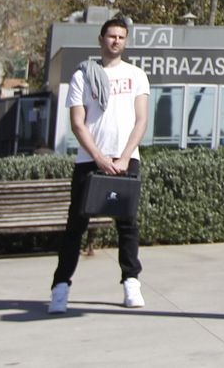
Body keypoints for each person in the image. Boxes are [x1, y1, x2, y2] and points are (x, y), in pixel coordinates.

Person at [48, 16, 150, 314]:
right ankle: (60, 287)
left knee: (128, 225)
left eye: (121, 37)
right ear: (101, 39)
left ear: (126, 41)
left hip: (125, 160)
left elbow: (141, 119)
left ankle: (131, 281)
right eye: (111, 36)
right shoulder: (83, 75)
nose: (115, 41)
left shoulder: (136, 75)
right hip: (89, 162)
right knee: (75, 227)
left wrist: (122, 157)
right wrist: (100, 158)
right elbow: (78, 123)